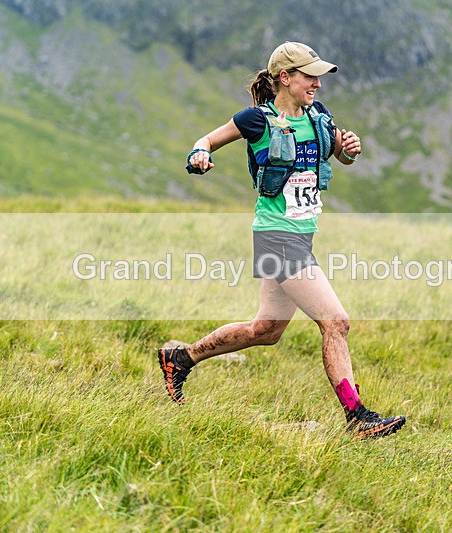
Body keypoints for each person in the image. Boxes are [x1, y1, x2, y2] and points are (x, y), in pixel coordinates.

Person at [158, 42, 406, 440]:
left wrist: (349, 150)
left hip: (301, 237)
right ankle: (358, 416)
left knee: (266, 330)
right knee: (336, 322)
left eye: (319, 77)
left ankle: (181, 357)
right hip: (277, 238)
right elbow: (207, 140)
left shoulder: (318, 116)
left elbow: (340, 156)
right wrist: (198, 156)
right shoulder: (256, 120)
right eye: (310, 76)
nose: (318, 84)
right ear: (286, 78)